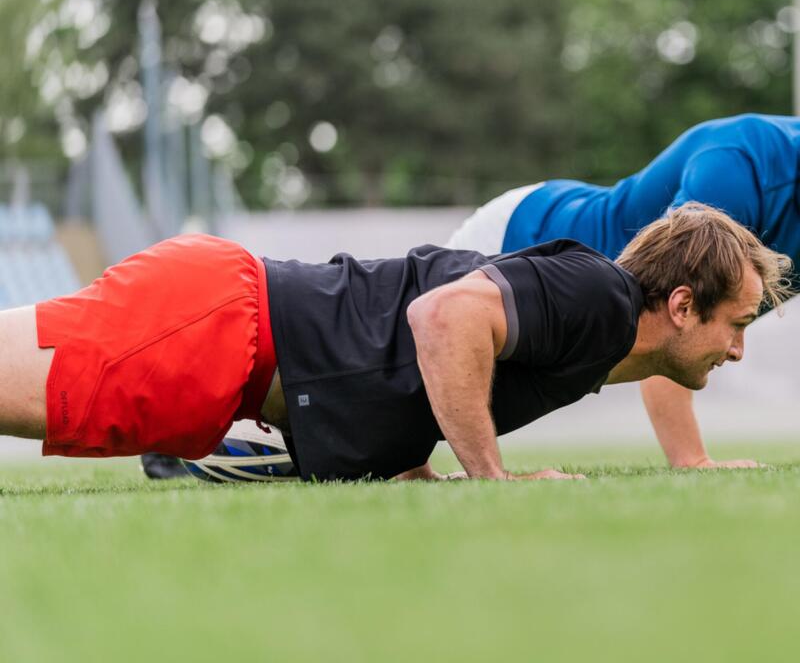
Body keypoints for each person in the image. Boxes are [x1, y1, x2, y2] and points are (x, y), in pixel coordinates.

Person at [0, 204, 789, 482]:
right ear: (683, 305)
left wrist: (413, 460)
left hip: (230, 342)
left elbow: (412, 324)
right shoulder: (601, 298)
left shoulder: (601, 340)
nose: (737, 350)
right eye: (738, 325)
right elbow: (442, 318)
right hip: (220, 324)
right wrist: (490, 476)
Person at [447, 112, 800, 469]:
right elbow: (674, 318)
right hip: (521, 235)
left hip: (575, 297)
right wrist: (692, 460)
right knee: (427, 367)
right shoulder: (736, 166)